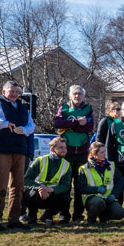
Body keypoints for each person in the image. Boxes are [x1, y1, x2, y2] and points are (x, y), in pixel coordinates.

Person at [0, 81, 36, 232]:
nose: (14, 94)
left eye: (16, 92)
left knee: (18, 186)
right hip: (1, 149)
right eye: (11, 91)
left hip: (19, 149)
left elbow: (31, 126)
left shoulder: (22, 107)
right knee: (1, 185)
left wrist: (23, 130)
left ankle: (14, 219)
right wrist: (10, 125)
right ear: (3, 92)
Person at [52, 84, 94, 223]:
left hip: (82, 152)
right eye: (75, 94)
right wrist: (76, 122)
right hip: (66, 152)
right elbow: (57, 123)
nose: (77, 96)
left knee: (80, 186)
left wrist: (69, 126)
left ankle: (78, 215)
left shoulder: (88, 109)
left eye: (80, 94)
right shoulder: (63, 107)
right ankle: (64, 214)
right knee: (65, 185)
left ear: (83, 96)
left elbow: (88, 126)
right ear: (70, 95)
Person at [23, 137, 72, 226]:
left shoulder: (67, 165)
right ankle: (32, 219)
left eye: (65, 147)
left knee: (66, 198)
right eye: (60, 147)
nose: (64, 150)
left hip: (51, 193)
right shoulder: (40, 161)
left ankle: (47, 215)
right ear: (52, 149)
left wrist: (51, 189)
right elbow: (26, 180)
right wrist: (40, 187)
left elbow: (65, 186)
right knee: (31, 195)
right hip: (37, 192)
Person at [74, 142, 124, 223]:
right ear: (94, 154)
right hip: (92, 199)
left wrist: (114, 195)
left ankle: (103, 217)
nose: (105, 154)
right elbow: (81, 188)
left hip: (108, 198)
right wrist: (97, 189)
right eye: (102, 152)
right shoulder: (84, 168)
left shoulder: (112, 165)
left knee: (120, 214)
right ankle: (91, 219)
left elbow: (120, 182)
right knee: (99, 202)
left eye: (105, 151)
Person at [103, 102, 124, 213]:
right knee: (119, 186)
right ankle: (117, 210)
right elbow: (109, 144)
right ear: (121, 111)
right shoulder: (115, 124)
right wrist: (109, 161)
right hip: (119, 160)